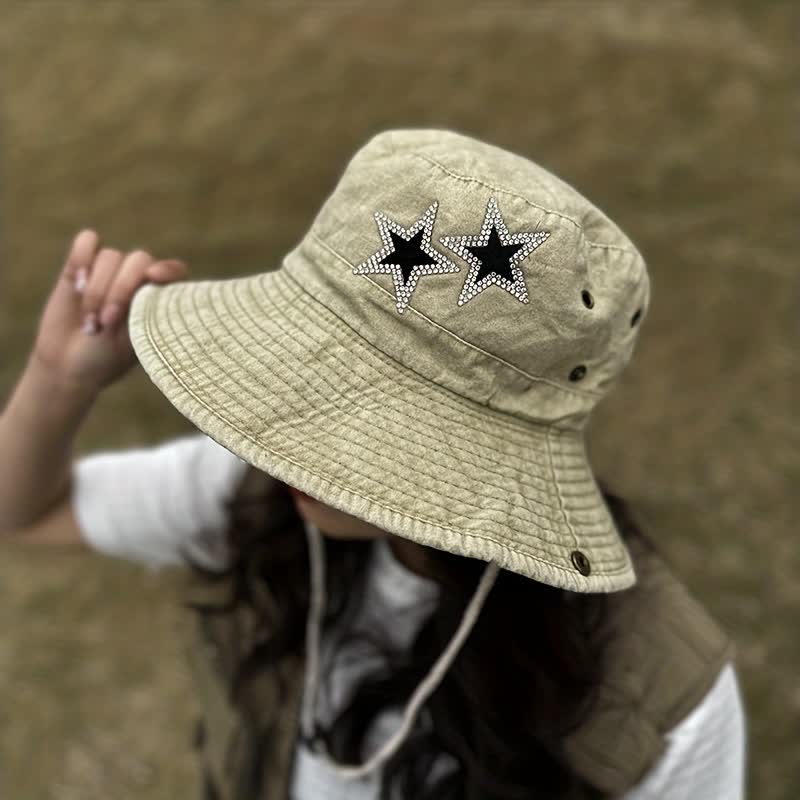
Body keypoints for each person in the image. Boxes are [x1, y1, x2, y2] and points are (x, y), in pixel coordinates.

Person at [0, 129, 746, 799]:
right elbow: (25, 513)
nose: (300, 434)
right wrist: (59, 379)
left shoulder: (664, 693)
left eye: (359, 409)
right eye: (313, 373)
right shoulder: (252, 487)